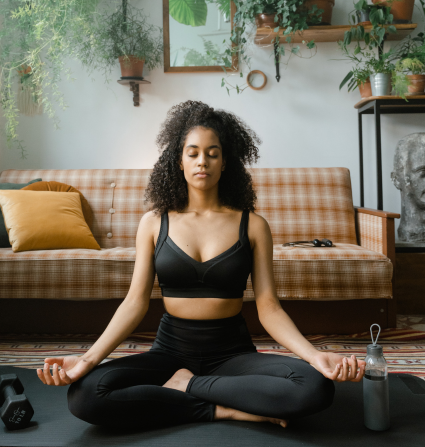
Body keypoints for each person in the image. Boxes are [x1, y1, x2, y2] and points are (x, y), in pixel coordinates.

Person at [37, 100, 366, 430]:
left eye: (213, 152)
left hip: (232, 354)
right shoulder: (154, 223)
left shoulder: (252, 226)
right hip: (170, 351)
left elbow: (269, 308)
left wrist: (314, 356)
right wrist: (86, 359)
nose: (202, 161)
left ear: (225, 162)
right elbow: (134, 302)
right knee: (86, 395)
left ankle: (187, 386)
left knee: (314, 388)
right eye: (192, 152)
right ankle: (224, 410)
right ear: (179, 161)